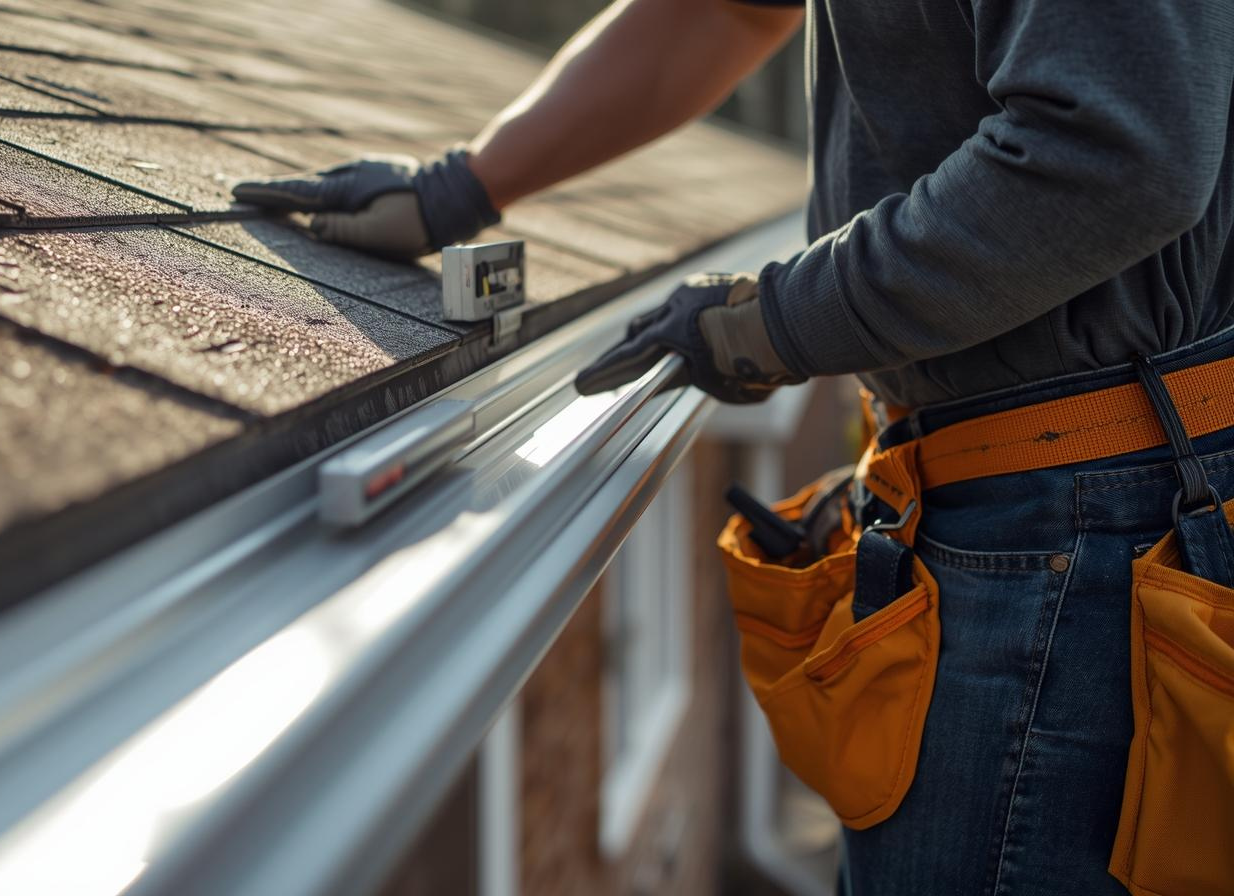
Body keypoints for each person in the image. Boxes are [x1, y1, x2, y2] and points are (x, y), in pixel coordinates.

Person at [233, 0, 1234, 892]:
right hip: (1024, 513)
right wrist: (456, 191)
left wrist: (771, 322)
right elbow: (727, 11)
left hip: (1096, 529)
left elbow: (1112, 153)